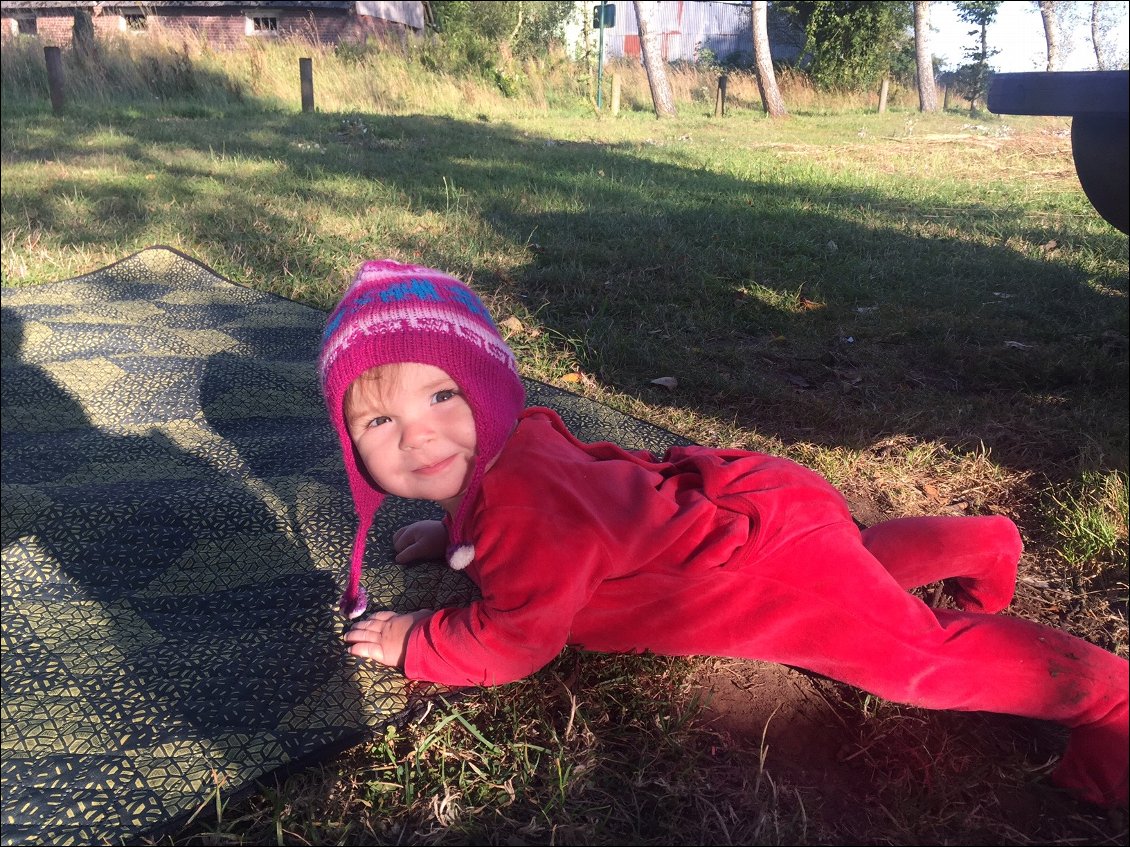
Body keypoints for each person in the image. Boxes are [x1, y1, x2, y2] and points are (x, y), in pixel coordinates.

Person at [320, 259, 1129, 809]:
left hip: (756, 561)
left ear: (490, 392)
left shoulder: (528, 512)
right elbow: (511, 510)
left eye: (440, 398)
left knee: (915, 661)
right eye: (379, 419)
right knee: (857, 564)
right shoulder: (513, 445)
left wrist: (417, 639)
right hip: (758, 503)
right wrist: (451, 528)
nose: (417, 439)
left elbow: (517, 640)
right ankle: (984, 543)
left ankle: (1108, 697)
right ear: (351, 444)